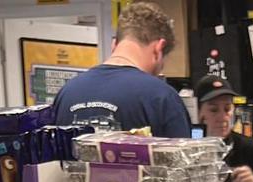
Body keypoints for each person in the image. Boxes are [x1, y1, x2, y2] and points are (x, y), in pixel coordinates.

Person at [52, 1, 191, 137]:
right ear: (158, 48)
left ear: (114, 44)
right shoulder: (162, 97)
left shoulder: (66, 93)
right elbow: (185, 158)